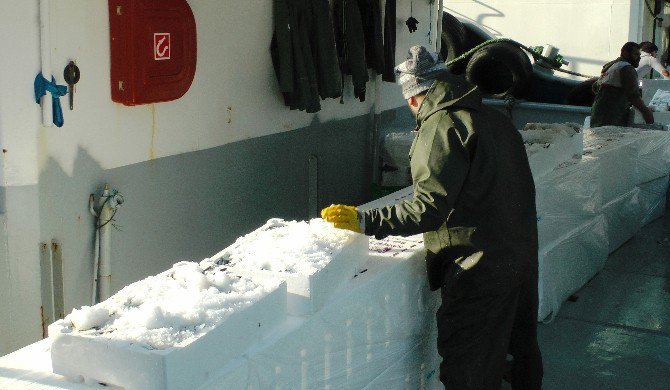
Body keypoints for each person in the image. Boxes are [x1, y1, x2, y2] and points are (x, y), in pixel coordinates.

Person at [321, 46, 543, 390]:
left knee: (468, 366)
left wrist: (365, 220)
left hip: (478, 268)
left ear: (413, 99)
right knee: (519, 353)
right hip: (520, 258)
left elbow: (427, 207)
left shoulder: (441, 125)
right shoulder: (496, 119)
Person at [591, 42, 654, 127]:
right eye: (636, 54)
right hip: (612, 116)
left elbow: (595, 87)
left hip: (598, 113)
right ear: (625, 53)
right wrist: (646, 113)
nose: (639, 58)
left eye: (639, 55)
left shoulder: (610, 65)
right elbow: (633, 96)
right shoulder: (627, 68)